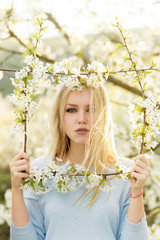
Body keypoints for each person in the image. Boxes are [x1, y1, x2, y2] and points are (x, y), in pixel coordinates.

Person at [10, 73, 151, 240]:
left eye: (91, 109)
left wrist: (137, 191)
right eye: (72, 110)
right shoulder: (40, 172)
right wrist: (17, 190)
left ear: (103, 115)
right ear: (60, 116)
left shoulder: (124, 173)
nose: (82, 119)